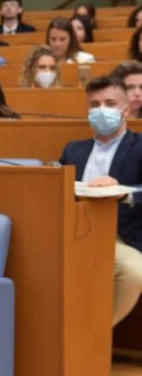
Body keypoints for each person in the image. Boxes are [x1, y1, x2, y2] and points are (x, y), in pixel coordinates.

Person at [59, 75, 142, 326]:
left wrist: (124, 190)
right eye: (94, 105)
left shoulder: (139, 146)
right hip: (72, 232)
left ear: (125, 109)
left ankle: (93, 334)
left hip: (119, 235)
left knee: (133, 273)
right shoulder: (73, 149)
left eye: (109, 103)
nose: (101, 110)